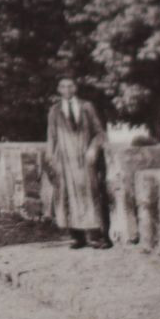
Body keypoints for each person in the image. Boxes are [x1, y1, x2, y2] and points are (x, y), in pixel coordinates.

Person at [45, 76, 110, 249]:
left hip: (83, 157)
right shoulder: (55, 110)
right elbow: (51, 137)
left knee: (89, 193)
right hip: (64, 159)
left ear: (75, 88)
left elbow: (100, 132)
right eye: (63, 86)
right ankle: (76, 236)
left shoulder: (86, 107)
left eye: (70, 85)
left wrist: (93, 148)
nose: (66, 89)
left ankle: (95, 236)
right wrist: (51, 159)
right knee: (67, 195)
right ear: (59, 90)